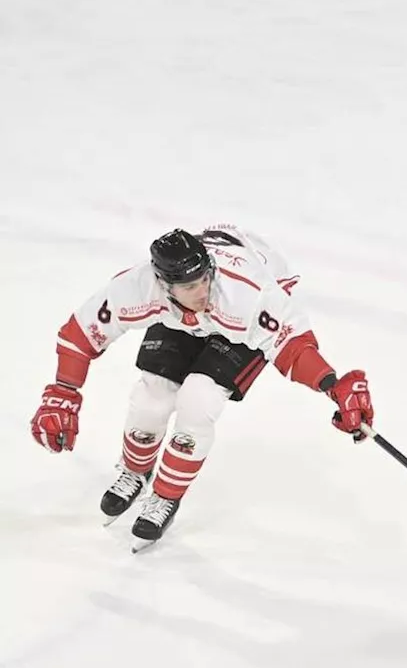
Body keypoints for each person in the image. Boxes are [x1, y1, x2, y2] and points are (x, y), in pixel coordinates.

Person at [29, 224, 375, 551]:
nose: (202, 292)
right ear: (164, 285)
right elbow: (79, 334)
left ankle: (166, 495)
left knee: (198, 399)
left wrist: (334, 386)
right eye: (189, 287)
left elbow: (295, 347)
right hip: (179, 321)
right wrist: (63, 394)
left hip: (239, 327)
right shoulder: (138, 287)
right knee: (152, 397)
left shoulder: (246, 294)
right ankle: (135, 471)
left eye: (204, 280)